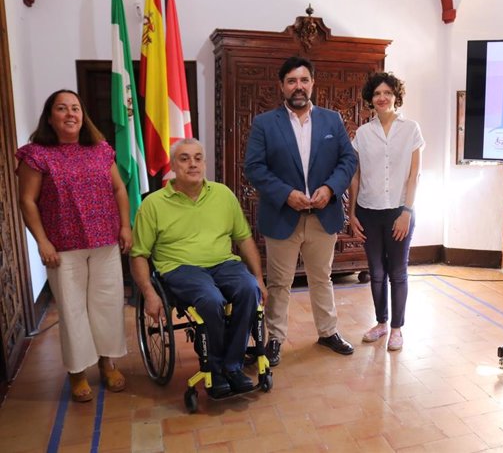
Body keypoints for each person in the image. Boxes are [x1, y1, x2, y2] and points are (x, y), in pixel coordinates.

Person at [16, 89, 131, 402]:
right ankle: (78, 371)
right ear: (50, 117)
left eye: (76, 108)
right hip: (62, 247)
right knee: (73, 310)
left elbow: (119, 189)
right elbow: (27, 201)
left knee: (107, 305)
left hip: (105, 241)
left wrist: (125, 225)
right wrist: (41, 242)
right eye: (62, 108)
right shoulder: (37, 154)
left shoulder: (100, 149)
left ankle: (108, 363)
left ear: (83, 115)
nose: (70, 114)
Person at [130, 138, 267, 398]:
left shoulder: (223, 194)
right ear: (173, 165)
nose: (192, 164)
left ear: (204, 162)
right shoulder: (153, 204)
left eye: (197, 158)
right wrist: (149, 292)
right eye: (184, 158)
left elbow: (244, 238)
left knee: (249, 290)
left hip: (223, 263)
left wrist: (258, 277)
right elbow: (138, 254)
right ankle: (215, 370)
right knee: (210, 299)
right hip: (180, 267)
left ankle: (233, 365)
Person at [244, 56, 358, 366]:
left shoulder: (332, 120)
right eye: (292, 81)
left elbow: (347, 160)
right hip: (283, 216)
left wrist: (331, 188)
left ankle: (328, 331)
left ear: (312, 84)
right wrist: (286, 194)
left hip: (324, 216)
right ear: (282, 86)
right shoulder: (264, 123)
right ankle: (276, 339)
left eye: (304, 80)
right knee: (280, 283)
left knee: (322, 278)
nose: (299, 86)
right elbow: (254, 167)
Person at [348, 72, 424, 352]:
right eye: (377, 94)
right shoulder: (363, 133)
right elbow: (355, 175)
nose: (382, 98)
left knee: (397, 271)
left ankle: (396, 329)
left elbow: (414, 175)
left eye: (387, 93)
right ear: (371, 98)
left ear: (396, 97)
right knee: (376, 271)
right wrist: (352, 212)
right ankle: (381, 323)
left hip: (399, 212)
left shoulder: (411, 129)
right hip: (369, 211)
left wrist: (407, 211)